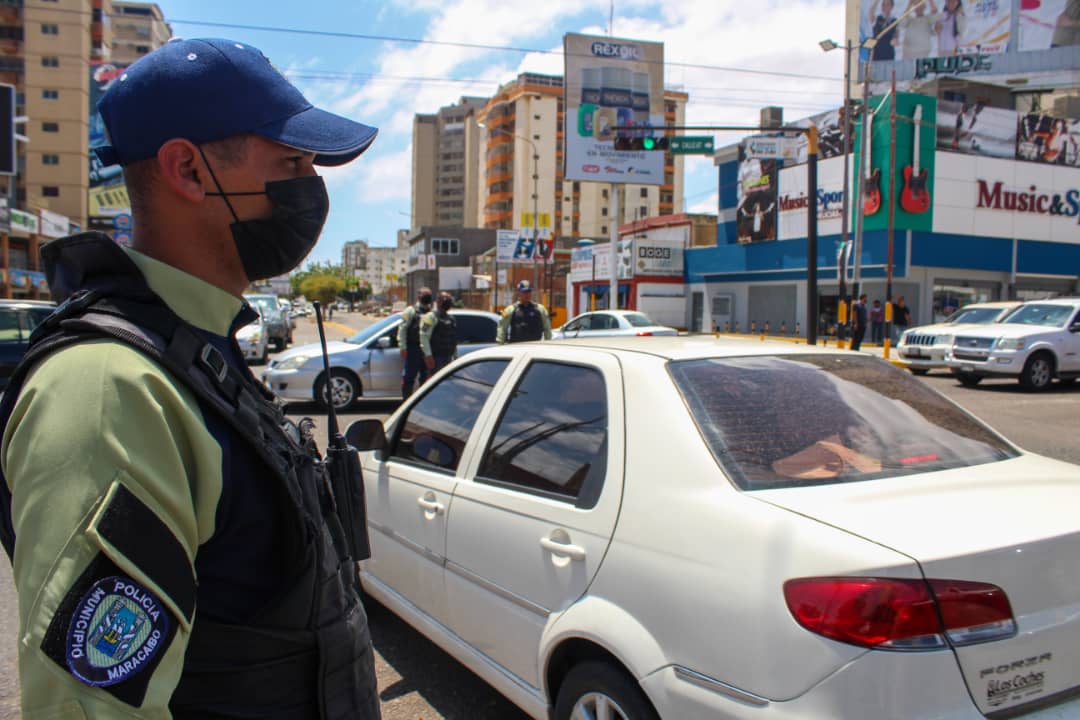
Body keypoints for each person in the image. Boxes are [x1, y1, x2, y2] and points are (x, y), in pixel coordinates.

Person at [0, 39, 381, 719]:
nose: (311, 187)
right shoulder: (109, 389)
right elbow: (92, 704)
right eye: (292, 162)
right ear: (188, 169)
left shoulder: (202, 350)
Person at [397, 286, 433, 398]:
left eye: (428, 295)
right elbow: (402, 329)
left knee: (426, 379)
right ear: (418, 296)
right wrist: (403, 347)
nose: (426, 297)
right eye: (424, 294)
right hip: (413, 348)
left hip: (428, 350)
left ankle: (422, 402)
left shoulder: (432, 312)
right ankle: (406, 401)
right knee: (409, 377)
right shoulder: (410, 311)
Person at [420, 291, 457, 373]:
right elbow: (424, 336)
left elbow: (453, 339)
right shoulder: (431, 317)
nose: (447, 301)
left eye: (449, 299)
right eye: (445, 299)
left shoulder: (451, 319)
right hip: (436, 357)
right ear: (437, 302)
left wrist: (455, 356)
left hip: (448, 356)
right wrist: (428, 355)